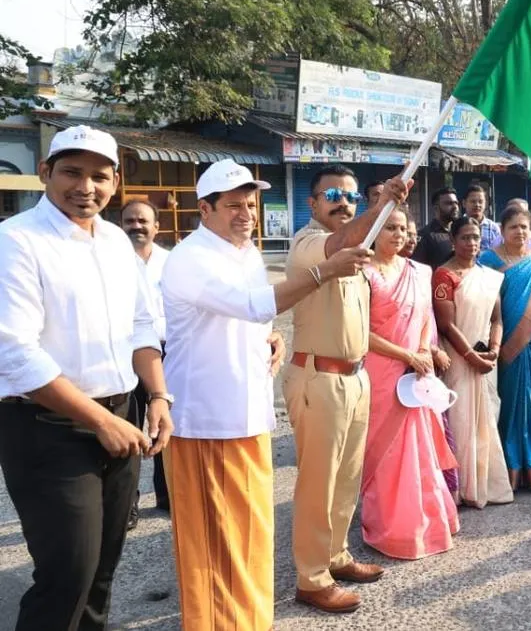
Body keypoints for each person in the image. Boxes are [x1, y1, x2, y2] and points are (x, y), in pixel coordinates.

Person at [162, 160, 368, 630]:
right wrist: (325, 271)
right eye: (233, 205)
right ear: (205, 208)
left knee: (253, 534)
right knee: (216, 544)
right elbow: (251, 303)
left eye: (250, 205)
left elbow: (256, 315)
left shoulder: (246, 253)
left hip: (250, 414)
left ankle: (252, 620)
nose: (245, 214)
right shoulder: (192, 257)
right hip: (208, 422)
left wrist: (271, 336)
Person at [0, 125, 173, 631]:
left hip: (121, 417)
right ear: (44, 173)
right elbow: (14, 354)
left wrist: (157, 395)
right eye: (72, 172)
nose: (86, 186)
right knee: (66, 575)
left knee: (101, 572)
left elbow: (142, 325)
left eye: (99, 176)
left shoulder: (117, 241)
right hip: (47, 427)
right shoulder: (16, 242)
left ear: (115, 182)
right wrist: (100, 420)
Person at [285, 164, 411, 613]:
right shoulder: (308, 242)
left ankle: (335, 556)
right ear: (313, 202)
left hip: (354, 378)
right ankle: (311, 578)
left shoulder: (358, 255)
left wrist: (382, 208)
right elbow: (337, 244)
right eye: (333, 194)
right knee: (318, 483)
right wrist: (379, 207)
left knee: (345, 479)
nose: (343, 202)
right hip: (319, 379)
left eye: (352, 197)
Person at [360, 206, 459, 559]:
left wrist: (421, 353)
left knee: (418, 449)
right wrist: (407, 357)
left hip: (415, 372)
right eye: (389, 227)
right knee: (384, 451)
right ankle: (390, 529)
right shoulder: (362, 274)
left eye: (402, 228)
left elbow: (424, 320)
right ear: (373, 231)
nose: (398, 234)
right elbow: (360, 333)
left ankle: (427, 522)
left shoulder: (419, 271)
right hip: (381, 372)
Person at [433, 216, 513, 508]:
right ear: (453, 241)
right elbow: (446, 325)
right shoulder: (444, 275)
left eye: (476, 238)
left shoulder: (487, 276)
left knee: (486, 420)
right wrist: (471, 357)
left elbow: (497, 319)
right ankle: (461, 488)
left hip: (485, 361)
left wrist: (493, 349)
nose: (471, 243)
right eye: (465, 237)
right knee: (461, 421)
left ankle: (485, 485)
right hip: (458, 359)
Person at [478, 205, 531, 490]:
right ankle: (511, 466)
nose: (520, 232)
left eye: (524, 227)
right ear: (502, 231)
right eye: (514, 227)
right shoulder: (488, 260)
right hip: (506, 342)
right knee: (511, 401)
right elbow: (483, 304)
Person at [120, 199, 171, 527]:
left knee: (165, 427)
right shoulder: (112, 261)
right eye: (130, 221)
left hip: (167, 354)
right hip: (127, 355)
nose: (136, 226)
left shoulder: (173, 261)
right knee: (129, 429)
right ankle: (128, 505)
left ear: (156, 227)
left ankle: (168, 496)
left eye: (143, 221)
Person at [412, 186, 460, 268]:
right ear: (436, 208)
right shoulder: (425, 235)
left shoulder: (459, 232)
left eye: (456, 203)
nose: (455, 207)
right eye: (449, 203)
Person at [462, 184, 503, 252]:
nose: (477, 205)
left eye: (480, 202)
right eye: (473, 201)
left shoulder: (494, 228)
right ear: (464, 203)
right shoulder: (457, 226)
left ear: (485, 204)